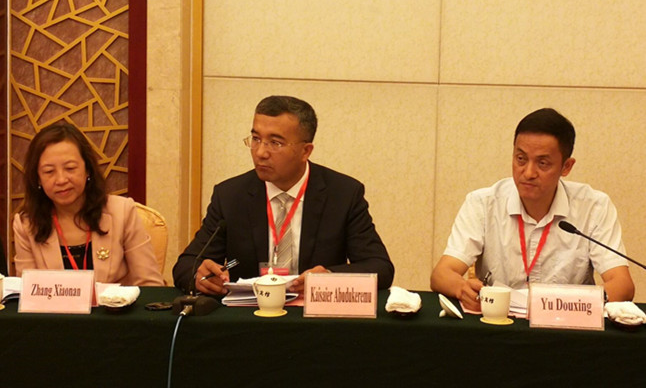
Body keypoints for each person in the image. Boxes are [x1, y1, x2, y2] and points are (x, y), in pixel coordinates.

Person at [173, 95, 394, 295]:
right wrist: (200, 276)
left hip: (314, 317)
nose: (260, 152)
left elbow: (380, 267)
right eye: (256, 139)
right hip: (250, 316)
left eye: (275, 143)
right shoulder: (230, 195)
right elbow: (186, 265)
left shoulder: (343, 194)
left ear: (305, 151)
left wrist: (328, 277)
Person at [430, 108, 634, 311]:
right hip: (498, 321)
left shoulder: (594, 207)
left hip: (567, 323)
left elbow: (622, 285)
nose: (528, 173)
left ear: (566, 167)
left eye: (542, 163)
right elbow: (441, 274)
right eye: (521, 159)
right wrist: (462, 288)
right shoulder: (483, 203)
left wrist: (574, 303)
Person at [13, 122, 164, 286]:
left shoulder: (122, 212)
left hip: (115, 304)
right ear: (37, 178)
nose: (61, 180)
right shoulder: (26, 224)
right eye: (49, 171)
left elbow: (150, 284)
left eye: (70, 168)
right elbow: (28, 293)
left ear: (88, 170)